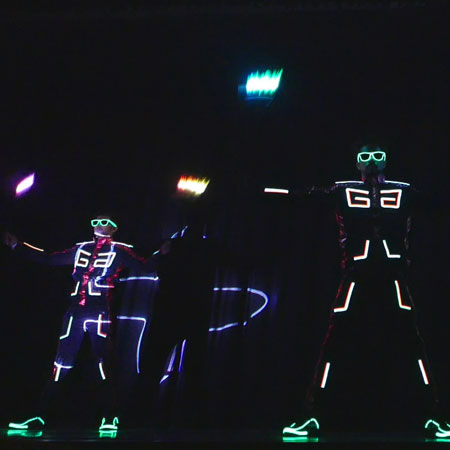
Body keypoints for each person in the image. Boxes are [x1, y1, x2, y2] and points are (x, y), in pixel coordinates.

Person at [278, 145, 448, 438]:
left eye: (378, 157)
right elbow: (304, 197)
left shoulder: (403, 191)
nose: (371, 163)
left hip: (392, 277)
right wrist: (263, 190)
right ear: (358, 163)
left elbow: (437, 202)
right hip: (356, 276)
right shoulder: (343, 191)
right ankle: (312, 414)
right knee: (334, 343)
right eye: (366, 157)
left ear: (385, 162)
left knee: (412, 344)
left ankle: (433, 417)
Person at [3, 215, 156, 433]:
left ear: (114, 228)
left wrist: (162, 253)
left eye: (104, 222)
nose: (99, 225)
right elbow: (48, 258)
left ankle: (110, 417)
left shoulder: (120, 251)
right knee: (60, 365)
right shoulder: (80, 249)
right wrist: (18, 245)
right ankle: (39, 416)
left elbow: (145, 266)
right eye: (96, 222)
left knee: (103, 364)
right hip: (75, 313)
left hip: (99, 313)